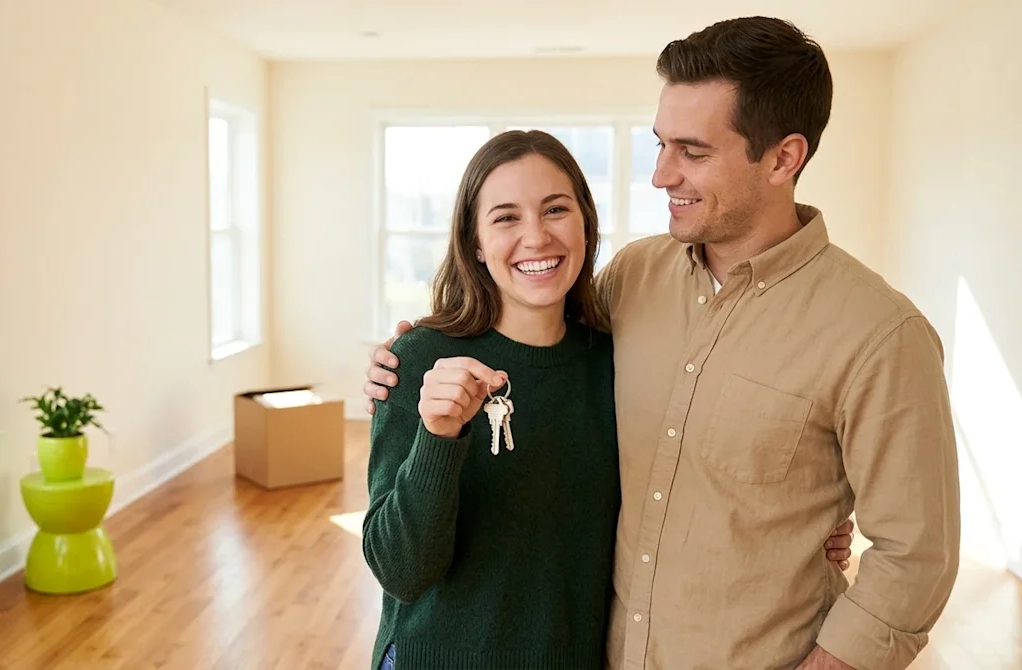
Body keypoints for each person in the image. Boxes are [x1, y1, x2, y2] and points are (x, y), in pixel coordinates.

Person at [363, 15, 958, 670]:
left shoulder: (879, 334)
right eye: (659, 145)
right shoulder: (633, 282)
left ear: (784, 158)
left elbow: (916, 555)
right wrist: (412, 359)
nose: (660, 176)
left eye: (693, 152)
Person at [361, 129, 853, 670]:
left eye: (555, 209)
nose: (535, 237)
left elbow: (674, 479)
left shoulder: (617, 358)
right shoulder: (419, 361)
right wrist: (437, 437)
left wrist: (807, 527)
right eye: (505, 217)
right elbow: (401, 571)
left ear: (585, 223)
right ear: (475, 242)